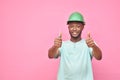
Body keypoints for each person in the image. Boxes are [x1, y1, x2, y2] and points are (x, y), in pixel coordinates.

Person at [48, 12, 102, 80]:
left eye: (78, 26)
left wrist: (94, 46)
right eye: (72, 26)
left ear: (83, 27)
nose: (74, 29)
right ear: (68, 28)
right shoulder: (62, 44)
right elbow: (50, 55)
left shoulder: (89, 43)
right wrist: (55, 46)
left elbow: (99, 57)